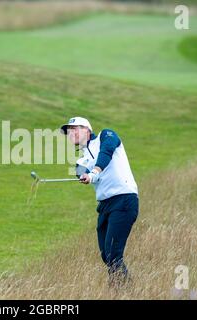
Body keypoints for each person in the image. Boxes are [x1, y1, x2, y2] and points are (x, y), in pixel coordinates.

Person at [60, 117, 139, 287]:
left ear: (87, 130)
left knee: (113, 254)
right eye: (68, 131)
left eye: (76, 128)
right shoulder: (80, 161)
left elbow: (107, 152)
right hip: (105, 206)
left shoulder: (106, 135)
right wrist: (85, 176)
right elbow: (81, 172)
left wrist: (95, 172)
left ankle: (123, 292)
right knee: (106, 255)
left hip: (124, 199)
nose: (71, 133)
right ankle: (126, 288)